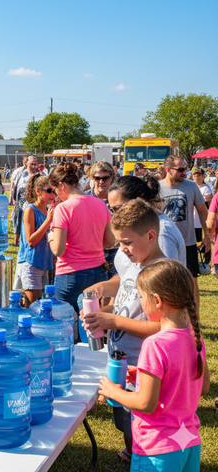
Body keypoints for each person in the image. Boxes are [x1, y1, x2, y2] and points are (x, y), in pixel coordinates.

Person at [82, 200, 175, 462]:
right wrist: (104, 305)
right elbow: (126, 295)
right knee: (125, 419)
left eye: (127, 242)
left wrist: (114, 322)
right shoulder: (135, 263)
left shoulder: (160, 273)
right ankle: (133, 454)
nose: (122, 249)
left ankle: (143, 458)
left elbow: (163, 327)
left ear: (151, 235)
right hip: (124, 362)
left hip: (146, 367)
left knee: (141, 421)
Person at [98, 259, 210, 470]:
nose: (140, 303)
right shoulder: (195, 337)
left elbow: (145, 404)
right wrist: (143, 375)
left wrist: (112, 391)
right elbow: (202, 387)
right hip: (189, 443)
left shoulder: (154, 344)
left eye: (141, 297)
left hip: (157, 450)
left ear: (157, 300)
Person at [48, 162, 115, 318]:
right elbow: (110, 241)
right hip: (98, 270)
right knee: (92, 323)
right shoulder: (100, 203)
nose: (57, 195)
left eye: (55, 190)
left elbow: (58, 250)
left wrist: (50, 237)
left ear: (61, 186)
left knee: (65, 322)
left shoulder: (63, 208)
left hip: (70, 273)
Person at [159, 155, 209, 310]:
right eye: (180, 169)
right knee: (165, 283)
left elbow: (202, 211)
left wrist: (207, 236)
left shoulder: (191, 186)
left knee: (192, 283)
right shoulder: (157, 188)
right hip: (162, 245)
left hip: (187, 243)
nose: (184, 173)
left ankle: (195, 324)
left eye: (185, 169)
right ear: (168, 170)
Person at [108, 175, 186, 265]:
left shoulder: (162, 232)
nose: (115, 214)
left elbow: (166, 275)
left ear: (139, 201)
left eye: (118, 208)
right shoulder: (138, 226)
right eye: (112, 210)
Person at [14, 174, 55, 305]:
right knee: (32, 306)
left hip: (44, 263)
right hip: (31, 263)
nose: (52, 194)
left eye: (54, 190)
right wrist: (48, 220)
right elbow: (31, 241)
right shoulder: (30, 209)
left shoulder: (48, 210)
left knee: (42, 306)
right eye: (48, 190)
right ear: (38, 191)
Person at [11, 156, 39, 246]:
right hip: (20, 201)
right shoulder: (20, 173)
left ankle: (29, 239)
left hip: (33, 203)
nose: (34, 166)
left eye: (35, 164)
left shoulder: (39, 175)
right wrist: (14, 199)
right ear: (26, 163)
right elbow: (14, 186)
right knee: (18, 220)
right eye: (32, 164)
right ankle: (16, 240)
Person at [192, 167, 213, 266]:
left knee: (204, 240)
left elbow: (208, 197)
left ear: (203, 176)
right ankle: (196, 259)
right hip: (192, 219)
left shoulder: (205, 187)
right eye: (194, 175)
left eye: (198, 175)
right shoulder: (192, 186)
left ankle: (206, 260)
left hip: (201, 220)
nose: (196, 177)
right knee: (195, 241)